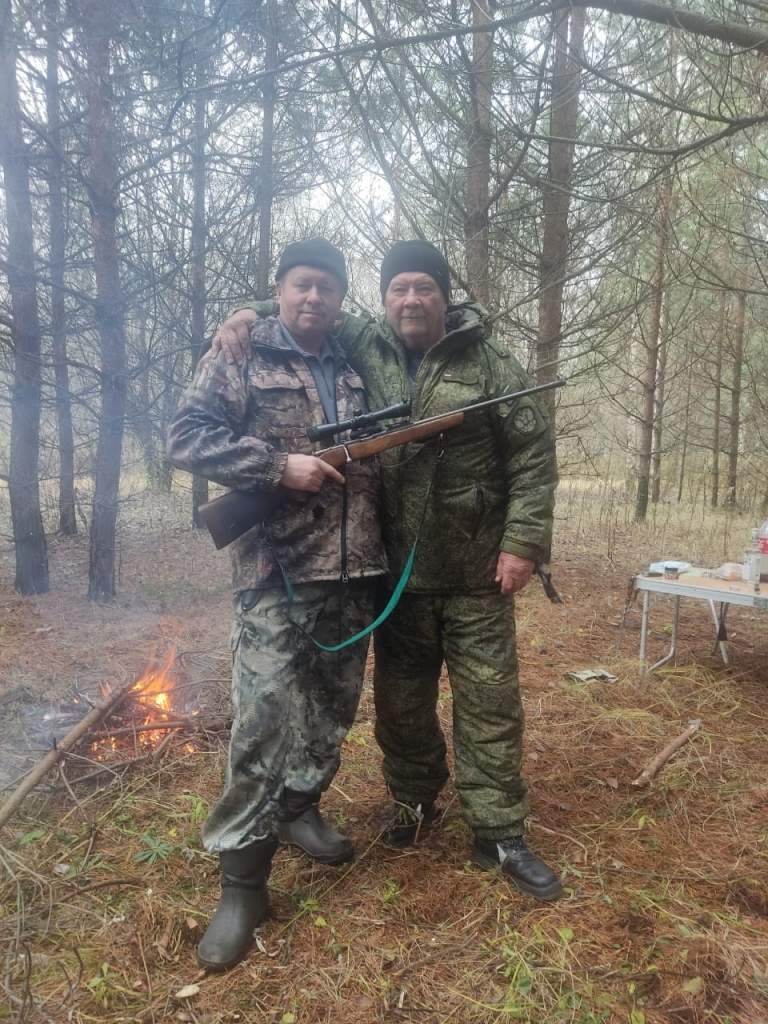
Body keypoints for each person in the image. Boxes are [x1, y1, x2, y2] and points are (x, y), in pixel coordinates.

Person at [211, 240, 563, 902]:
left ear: (445, 297)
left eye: (424, 287)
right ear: (383, 298)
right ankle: (414, 803)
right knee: (401, 706)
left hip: (477, 575)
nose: (411, 299)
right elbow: (306, 302)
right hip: (391, 573)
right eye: (399, 288)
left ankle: (499, 833)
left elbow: (533, 458)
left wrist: (522, 543)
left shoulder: (490, 361)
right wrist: (243, 315)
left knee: (490, 706)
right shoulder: (362, 340)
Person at [167, 238, 387, 970]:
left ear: (341, 297)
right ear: (280, 289)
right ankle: (242, 884)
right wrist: (275, 466)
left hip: (354, 570)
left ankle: (299, 807)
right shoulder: (240, 351)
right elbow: (185, 437)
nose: (313, 298)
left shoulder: (356, 360)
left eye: (327, 287)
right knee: (262, 719)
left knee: (332, 711)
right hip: (275, 572)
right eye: (300, 285)